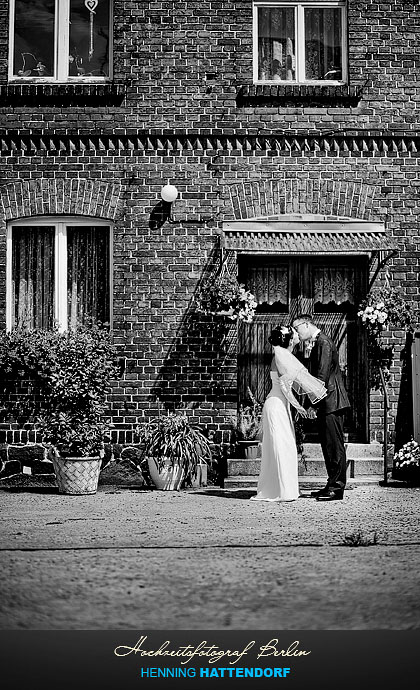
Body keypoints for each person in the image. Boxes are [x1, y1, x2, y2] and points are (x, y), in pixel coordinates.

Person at [250, 326, 327, 503]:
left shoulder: (283, 355)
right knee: (280, 447)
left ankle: (285, 488)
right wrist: (299, 407)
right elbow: (285, 387)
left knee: (284, 447)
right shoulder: (281, 356)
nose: (296, 338)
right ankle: (279, 489)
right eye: (294, 336)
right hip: (276, 405)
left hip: (280, 405)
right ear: (289, 340)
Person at [292, 314, 351, 502]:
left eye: (297, 328)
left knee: (335, 447)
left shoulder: (324, 342)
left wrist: (311, 405)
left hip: (333, 402)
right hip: (327, 402)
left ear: (307, 325)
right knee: (328, 447)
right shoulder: (316, 343)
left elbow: (321, 376)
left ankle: (337, 488)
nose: (295, 332)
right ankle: (331, 483)